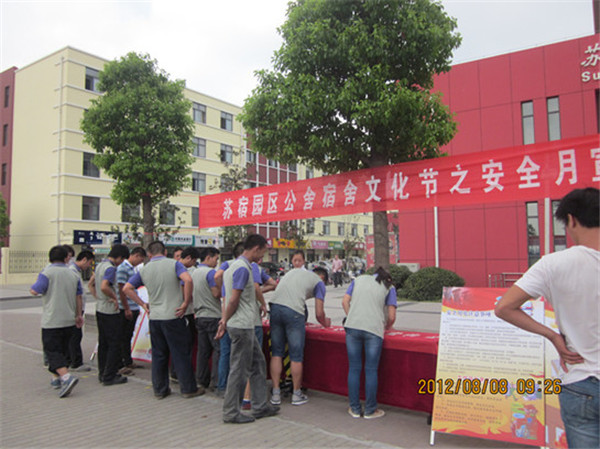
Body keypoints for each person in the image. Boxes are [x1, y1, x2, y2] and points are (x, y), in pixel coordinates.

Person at [495, 187, 599, 449]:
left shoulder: (553, 264)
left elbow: (504, 307)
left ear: (571, 220)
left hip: (582, 382)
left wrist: (552, 335)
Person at [123, 241, 201, 399]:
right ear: (165, 252)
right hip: (173, 315)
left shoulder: (144, 269)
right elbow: (188, 280)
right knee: (180, 353)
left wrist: (143, 304)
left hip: (155, 317)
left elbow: (127, 288)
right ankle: (188, 388)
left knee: (159, 355)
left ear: (149, 254)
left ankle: (160, 389)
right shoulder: (174, 264)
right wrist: (185, 303)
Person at [217, 234, 279, 423]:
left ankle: (260, 406)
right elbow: (233, 299)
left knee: (258, 364)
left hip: (245, 324)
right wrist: (224, 320)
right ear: (256, 249)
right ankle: (231, 412)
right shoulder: (243, 269)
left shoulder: (234, 266)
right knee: (239, 370)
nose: (263, 256)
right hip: (241, 325)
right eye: (263, 251)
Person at [269, 263, 330, 406]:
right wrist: (326, 323)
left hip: (274, 308)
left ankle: (276, 394)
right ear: (323, 278)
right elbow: (319, 314)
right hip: (294, 312)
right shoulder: (319, 283)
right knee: (296, 355)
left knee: (276, 353)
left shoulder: (295, 272)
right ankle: (296, 394)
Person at [342, 267, 397, 419]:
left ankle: (354, 409)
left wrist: (352, 316)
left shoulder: (358, 280)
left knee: (354, 368)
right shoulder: (389, 286)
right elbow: (392, 316)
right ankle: (370, 410)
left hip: (352, 328)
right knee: (371, 370)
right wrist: (387, 326)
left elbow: (344, 301)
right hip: (373, 330)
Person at [30, 245, 84, 398]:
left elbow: (35, 290)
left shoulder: (47, 273)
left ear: (50, 258)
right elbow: (78, 296)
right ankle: (56, 378)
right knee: (63, 351)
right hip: (69, 319)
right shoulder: (73, 274)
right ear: (66, 258)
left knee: (52, 351)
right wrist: (78, 315)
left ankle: (66, 377)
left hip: (52, 320)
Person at [88, 244, 131, 386]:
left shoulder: (100, 265)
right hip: (110, 311)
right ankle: (110, 375)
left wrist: (98, 297)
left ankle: (103, 372)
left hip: (100, 308)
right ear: (119, 257)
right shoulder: (111, 268)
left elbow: (91, 284)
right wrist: (114, 298)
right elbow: (104, 286)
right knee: (114, 343)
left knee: (103, 343)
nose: (121, 262)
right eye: (122, 259)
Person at [214, 241, 244, 395]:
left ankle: (222, 386)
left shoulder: (227, 264)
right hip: (238, 315)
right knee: (239, 355)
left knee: (225, 352)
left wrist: (223, 291)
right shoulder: (244, 266)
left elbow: (217, 275)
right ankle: (237, 390)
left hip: (225, 309)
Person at [192, 246, 221, 389]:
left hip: (199, 315)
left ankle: (201, 380)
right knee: (218, 350)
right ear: (208, 257)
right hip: (213, 315)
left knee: (203, 351)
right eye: (216, 259)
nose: (216, 262)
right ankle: (216, 382)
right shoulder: (210, 273)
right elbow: (216, 293)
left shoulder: (194, 272)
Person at [116, 246, 147, 375]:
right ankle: (121, 363)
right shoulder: (123, 268)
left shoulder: (131, 269)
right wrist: (126, 308)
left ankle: (128, 360)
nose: (140, 262)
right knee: (123, 336)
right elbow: (121, 289)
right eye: (141, 260)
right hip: (126, 307)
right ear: (136, 255)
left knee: (128, 335)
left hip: (133, 306)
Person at [67, 250, 94, 372]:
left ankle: (71, 360)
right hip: (75, 309)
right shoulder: (72, 271)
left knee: (74, 335)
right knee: (75, 335)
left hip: (77, 308)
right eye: (89, 263)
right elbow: (76, 294)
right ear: (84, 260)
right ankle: (76, 362)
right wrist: (78, 313)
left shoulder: (75, 271)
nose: (88, 266)